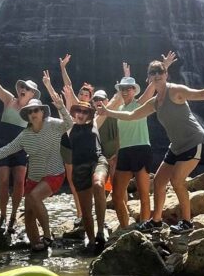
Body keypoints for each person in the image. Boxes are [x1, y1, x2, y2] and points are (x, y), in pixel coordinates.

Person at [103, 51, 204, 233]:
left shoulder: (175, 90)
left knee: (177, 180)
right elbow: (131, 115)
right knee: (159, 182)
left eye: (159, 72)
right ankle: (156, 220)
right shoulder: (154, 102)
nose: (156, 75)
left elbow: (198, 94)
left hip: (194, 141)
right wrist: (108, 112)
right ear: (149, 79)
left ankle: (186, 222)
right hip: (176, 146)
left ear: (166, 74)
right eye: (152, 73)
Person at [0, 69, 73, 251]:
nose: (33, 113)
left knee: (34, 197)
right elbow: (8, 149)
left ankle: (48, 236)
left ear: (42, 112)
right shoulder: (24, 135)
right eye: (30, 111)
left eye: (36, 110)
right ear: (27, 115)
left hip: (54, 174)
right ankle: (37, 246)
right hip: (34, 177)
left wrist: (61, 106)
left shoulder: (54, 125)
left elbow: (69, 124)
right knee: (27, 214)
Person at [0, 50, 38, 233]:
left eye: (27, 89)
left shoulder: (33, 110)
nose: (23, 89)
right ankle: (3, 215)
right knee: (4, 181)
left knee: (20, 182)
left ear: (32, 94)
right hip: (4, 144)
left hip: (21, 147)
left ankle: (14, 214)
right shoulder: (9, 100)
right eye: (22, 86)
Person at [110, 63, 156, 228]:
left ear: (134, 90)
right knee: (116, 195)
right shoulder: (119, 108)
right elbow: (120, 135)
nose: (125, 91)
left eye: (128, 88)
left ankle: (144, 225)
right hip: (124, 152)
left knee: (144, 193)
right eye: (122, 88)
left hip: (141, 149)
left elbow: (152, 87)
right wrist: (116, 153)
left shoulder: (141, 103)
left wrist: (163, 67)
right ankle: (125, 228)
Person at [62, 98, 110, 253]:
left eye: (85, 111)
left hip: (97, 161)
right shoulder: (70, 127)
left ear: (89, 114)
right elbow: (62, 111)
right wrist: (51, 89)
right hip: (79, 168)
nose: (81, 114)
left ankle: (101, 231)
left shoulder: (95, 122)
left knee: (98, 184)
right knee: (86, 211)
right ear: (75, 113)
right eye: (78, 111)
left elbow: (115, 101)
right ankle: (91, 241)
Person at [57, 54, 92, 225]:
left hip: (82, 147)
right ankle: (80, 213)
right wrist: (63, 68)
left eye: (86, 94)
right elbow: (68, 85)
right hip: (67, 144)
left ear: (90, 98)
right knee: (72, 181)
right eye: (81, 93)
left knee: (84, 179)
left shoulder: (91, 111)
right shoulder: (73, 103)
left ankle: (87, 211)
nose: (83, 95)